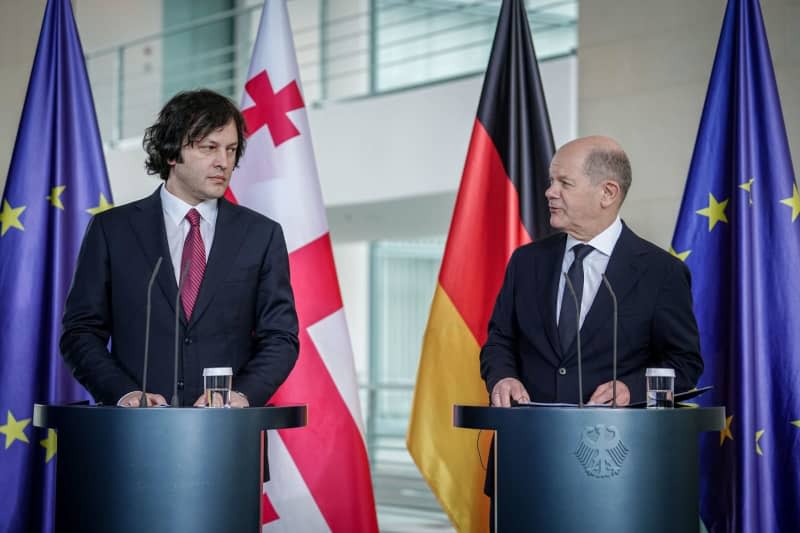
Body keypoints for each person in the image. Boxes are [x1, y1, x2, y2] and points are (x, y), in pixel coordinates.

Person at [61, 89, 299, 408]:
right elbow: (81, 331)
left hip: (228, 436)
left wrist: (241, 396)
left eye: (231, 149)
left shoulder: (261, 234)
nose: (224, 162)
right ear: (172, 153)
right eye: (209, 148)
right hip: (134, 434)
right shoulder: (112, 230)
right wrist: (123, 392)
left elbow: (281, 337)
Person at [480, 135, 703, 407]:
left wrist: (630, 389)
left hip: (612, 441)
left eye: (565, 183)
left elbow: (684, 363)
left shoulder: (661, 272)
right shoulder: (526, 261)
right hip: (527, 437)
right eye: (552, 181)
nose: (550, 191)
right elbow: (499, 340)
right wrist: (502, 377)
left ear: (608, 193)